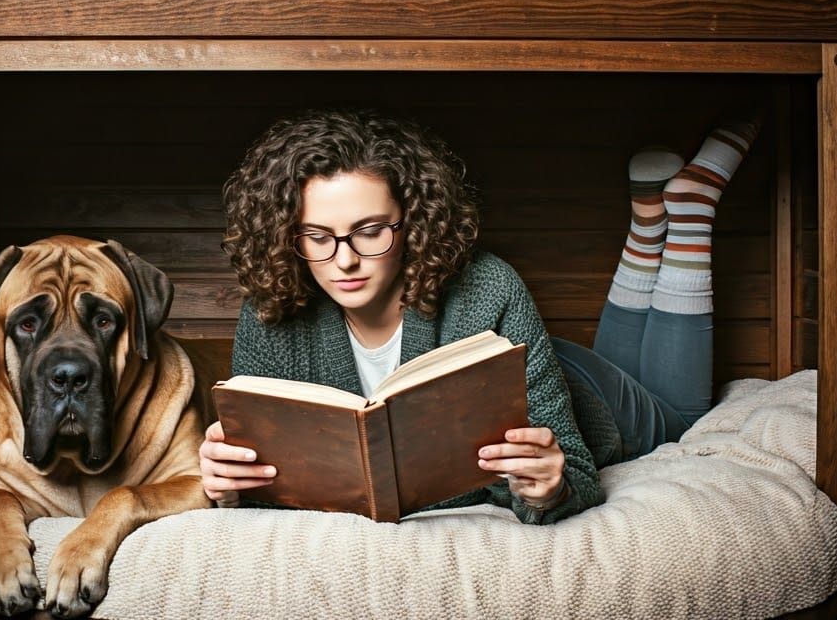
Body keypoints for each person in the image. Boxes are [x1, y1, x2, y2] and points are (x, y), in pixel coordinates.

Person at [199, 109, 759, 524]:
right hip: (543, 358)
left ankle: (690, 216)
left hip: (594, 401)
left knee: (683, 417)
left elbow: (579, 476)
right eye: (317, 236)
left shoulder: (486, 287)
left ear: (411, 222)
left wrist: (550, 489)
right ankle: (649, 221)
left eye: (370, 231)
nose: (344, 259)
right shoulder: (271, 314)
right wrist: (229, 486)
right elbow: (265, 486)